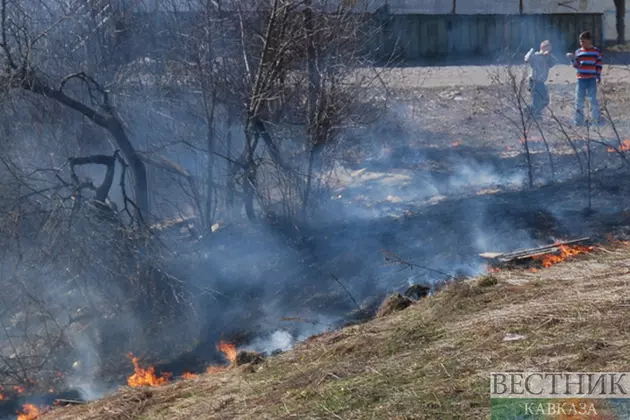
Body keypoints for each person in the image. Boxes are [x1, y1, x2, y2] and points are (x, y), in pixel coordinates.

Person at [566, 31, 603, 126]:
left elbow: (598, 65)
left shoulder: (596, 51)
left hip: (591, 79)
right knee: (579, 100)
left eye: (584, 41)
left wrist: (598, 76)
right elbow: (577, 65)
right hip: (581, 79)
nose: (582, 43)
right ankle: (579, 121)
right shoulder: (578, 52)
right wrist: (572, 59)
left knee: (593, 100)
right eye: (580, 41)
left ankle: (595, 120)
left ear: (589, 40)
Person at [524, 40, 555, 121]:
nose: (548, 50)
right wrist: (531, 51)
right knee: (537, 100)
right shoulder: (535, 56)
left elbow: (554, 62)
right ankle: (535, 115)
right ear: (542, 47)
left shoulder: (548, 58)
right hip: (534, 81)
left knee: (545, 100)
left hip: (541, 82)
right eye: (546, 48)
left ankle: (530, 110)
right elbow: (526, 59)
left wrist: (549, 56)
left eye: (549, 48)